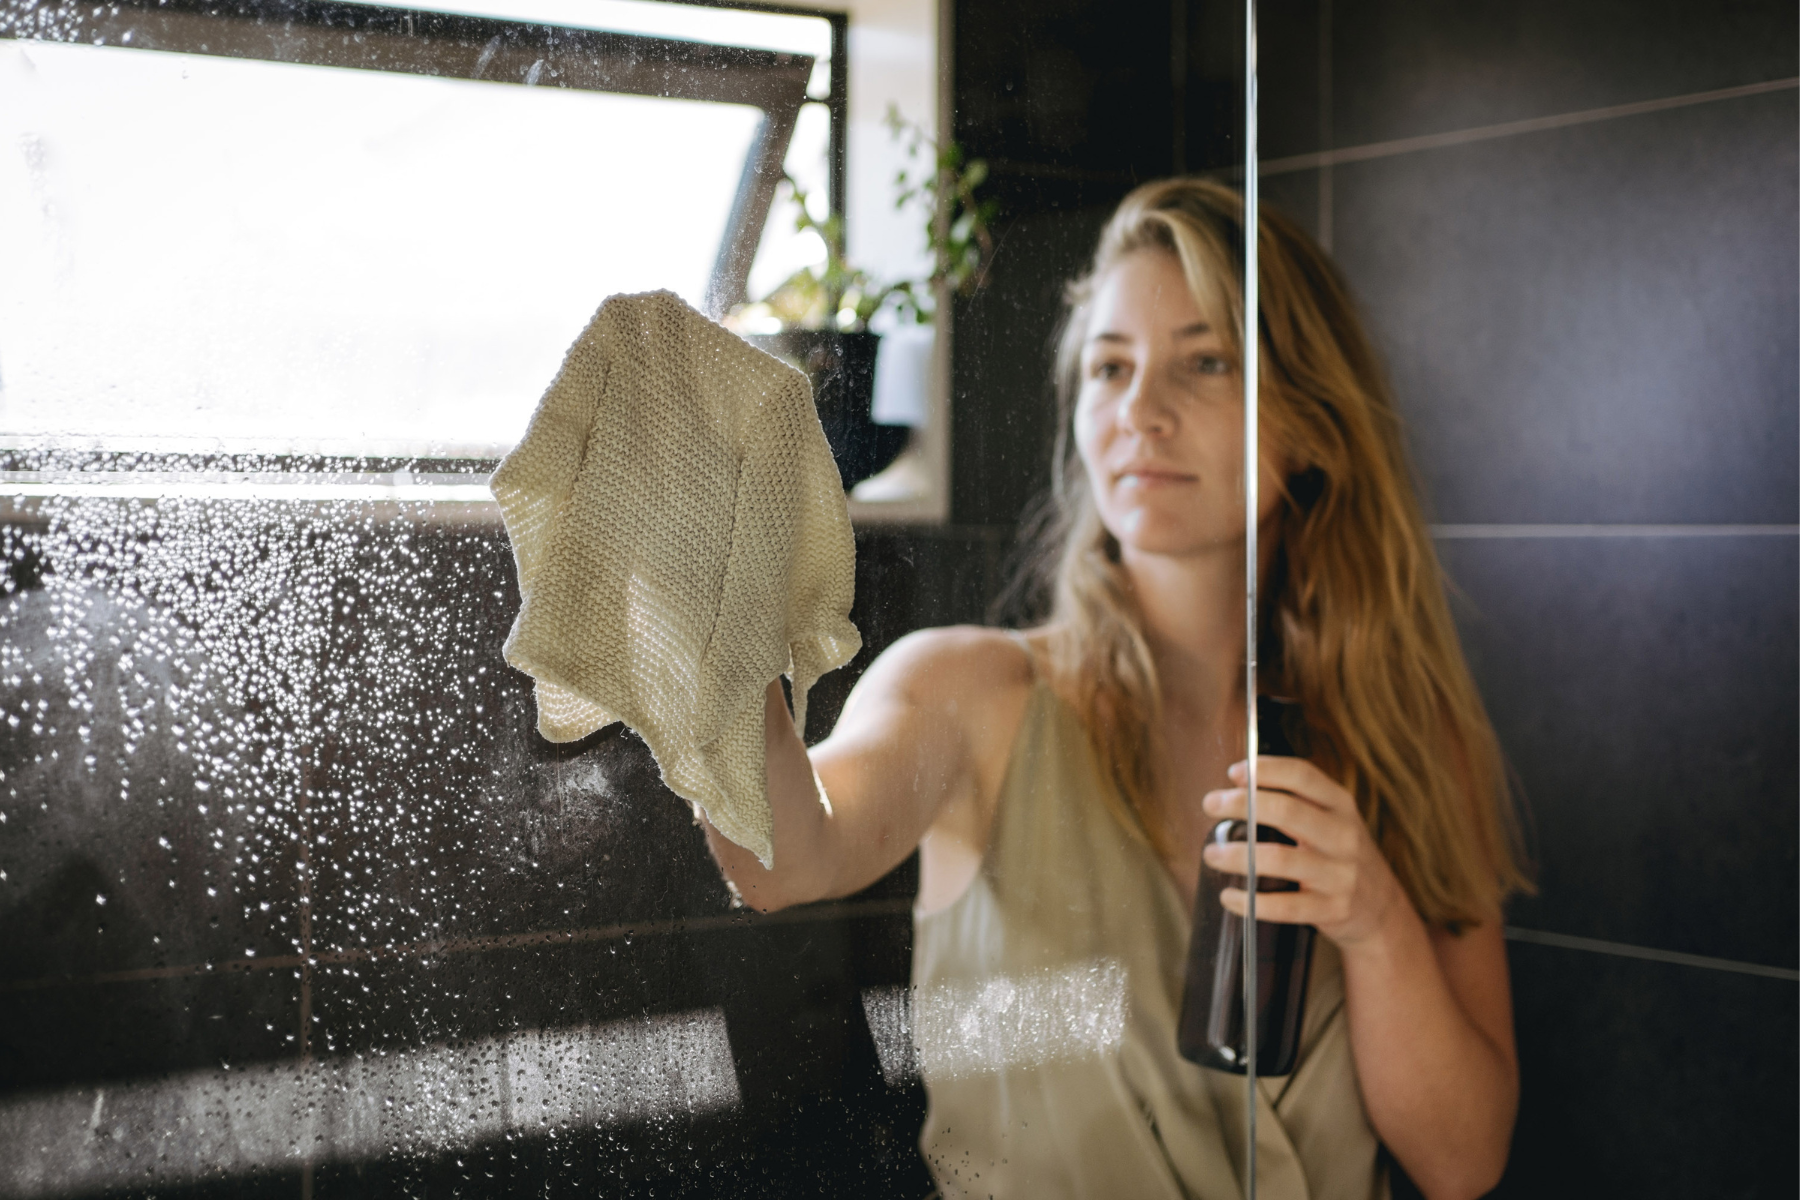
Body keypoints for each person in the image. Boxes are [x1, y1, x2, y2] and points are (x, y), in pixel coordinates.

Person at [701, 178, 1529, 1200]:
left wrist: (1377, 923)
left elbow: (1462, 1163)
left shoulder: (1405, 741)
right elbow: (782, 858)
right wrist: (720, 592)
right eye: (1110, 367)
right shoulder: (972, 693)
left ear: (1311, 423)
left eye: (1206, 362)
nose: (1140, 410)